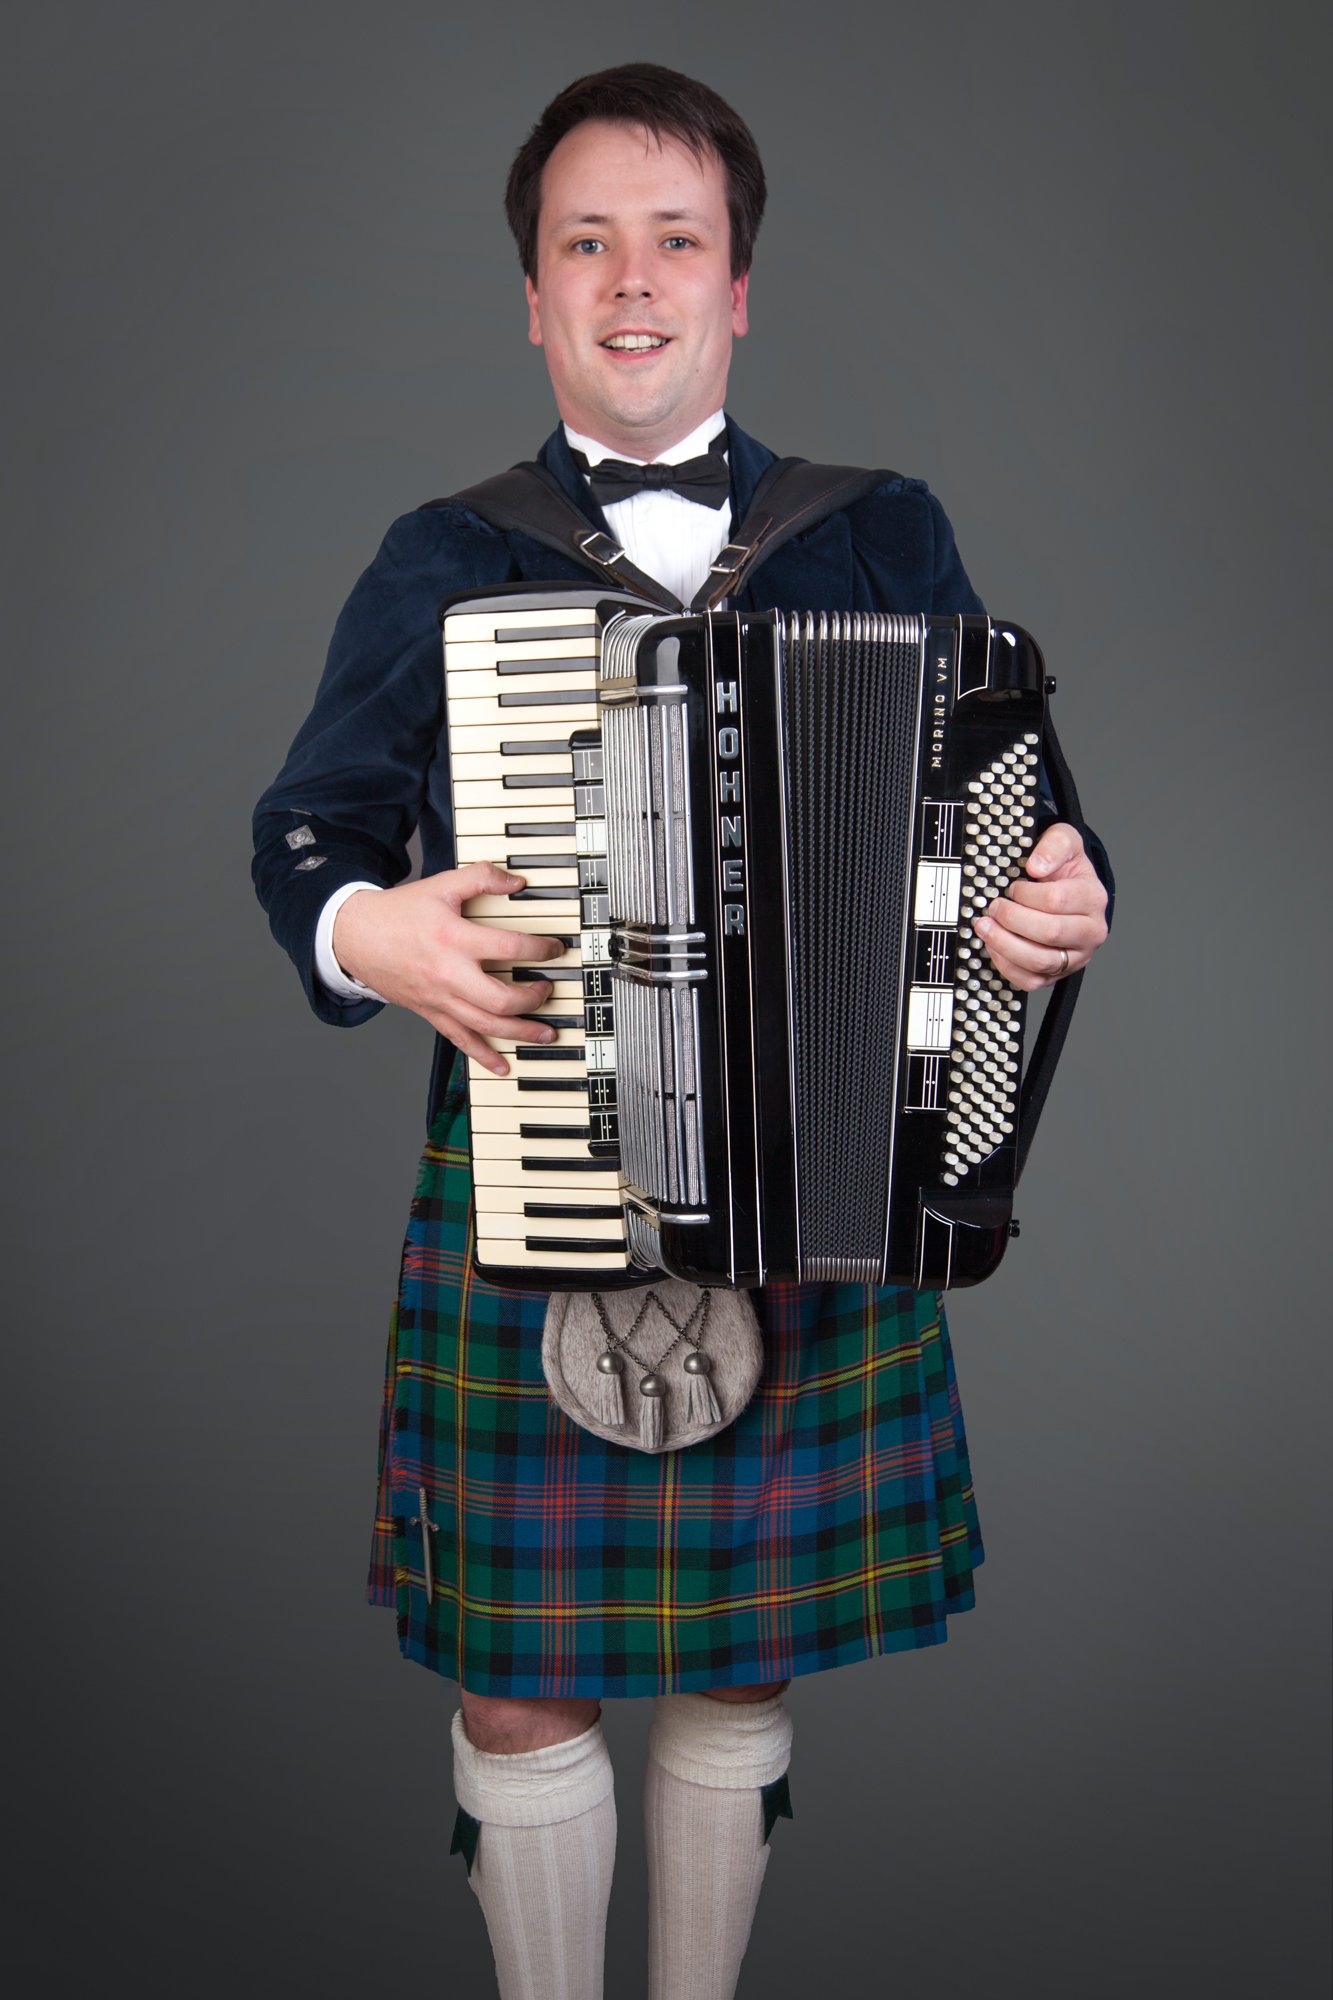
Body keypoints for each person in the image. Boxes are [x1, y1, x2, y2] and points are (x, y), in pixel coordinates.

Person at [251, 62, 1111, 2000]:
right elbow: (307, 828)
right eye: (586, 244)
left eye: (674, 240)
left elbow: (1028, 815)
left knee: (740, 1662)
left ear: (736, 289)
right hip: (541, 1168)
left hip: (812, 1186)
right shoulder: (442, 554)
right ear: (533, 300)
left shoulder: (878, 534)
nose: (630, 280)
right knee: (521, 1687)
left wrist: (1066, 899)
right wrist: (367, 927)